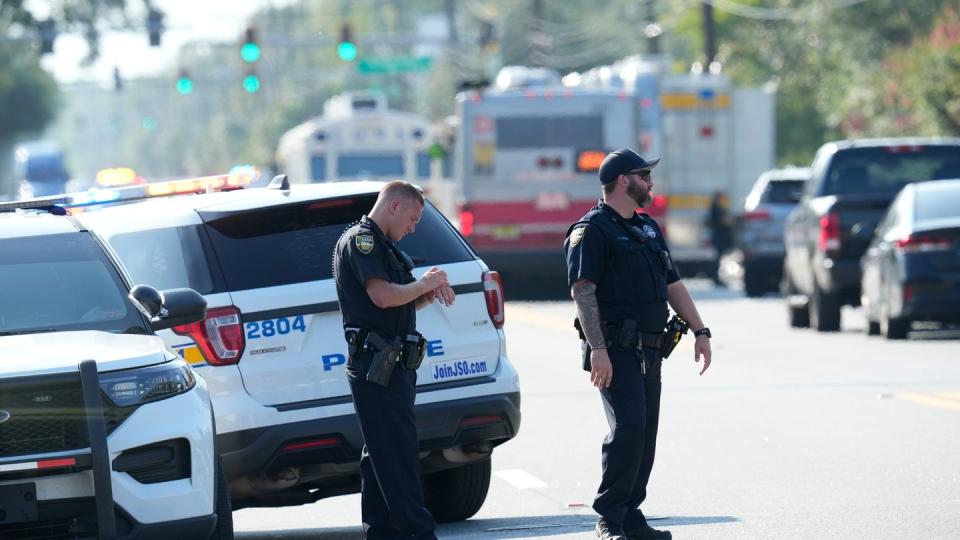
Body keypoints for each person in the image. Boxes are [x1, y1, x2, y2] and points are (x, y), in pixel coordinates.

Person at [564, 149, 713, 540]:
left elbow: (672, 284)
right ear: (623, 181)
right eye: (644, 175)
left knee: (645, 433)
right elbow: (583, 292)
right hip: (614, 350)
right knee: (628, 428)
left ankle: (631, 515)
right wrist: (598, 349)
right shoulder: (592, 230)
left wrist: (701, 331)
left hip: (650, 349)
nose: (650, 182)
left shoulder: (647, 229)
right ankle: (609, 518)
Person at [333, 180, 456, 540]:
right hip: (377, 367)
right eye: (413, 218)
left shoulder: (384, 246)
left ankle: (382, 532)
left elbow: (398, 301)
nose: (413, 228)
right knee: (398, 458)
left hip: (392, 367)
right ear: (394, 207)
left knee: (381, 458)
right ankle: (419, 533)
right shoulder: (363, 241)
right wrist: (424, 282)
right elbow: (383, 297)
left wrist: (426, 293)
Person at [706, 191, 734, 286]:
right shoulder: (716, 209)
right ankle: (715, 278)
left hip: (719, 236)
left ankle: (716, 277)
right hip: (719, 236)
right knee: (717, 258)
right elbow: (724, 221)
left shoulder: (717, 208)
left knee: (718, 258)